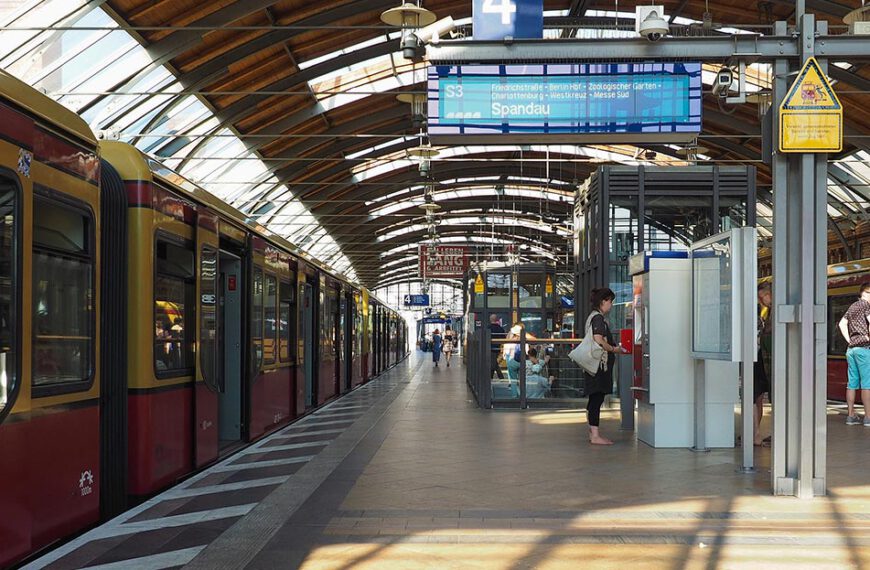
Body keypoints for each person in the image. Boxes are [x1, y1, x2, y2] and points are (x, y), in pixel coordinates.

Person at [583, 287, 627, 445]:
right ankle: (595, 435)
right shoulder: (598, 319)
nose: (612, 305)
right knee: (597, 398)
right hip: (598, 366)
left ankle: (592, 432)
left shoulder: (592, 317)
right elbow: (598, 340)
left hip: (592, 365)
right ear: (603, 301)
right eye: (610, 301)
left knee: (594, 398)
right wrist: (614, 349)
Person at [838, 281, 870, 426]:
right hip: (864, 348)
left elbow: (841, 324)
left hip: (851, 350)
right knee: (867, 384)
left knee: (852, 384)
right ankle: (868, 417)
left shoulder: (852, 306)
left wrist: (850, 340)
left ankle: (851, 415)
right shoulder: (866, 305)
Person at [753, 282, 773, 446]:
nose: (762, 300)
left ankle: (756, 434)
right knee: (757, 397)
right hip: (764, 360)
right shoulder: (765, 312)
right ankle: (755, 433)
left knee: (757, 396)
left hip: (765, 360)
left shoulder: (770, 312)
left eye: (763, 296)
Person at [489, 314, 505, 379]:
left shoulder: (488, 328)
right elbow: (504, 339)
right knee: (493, 362)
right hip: (498, 349)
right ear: (496, 320)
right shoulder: (501, 329)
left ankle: (500, 376)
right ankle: (491, 376)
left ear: (490, 320)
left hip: (490, 349)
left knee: (493, 363)